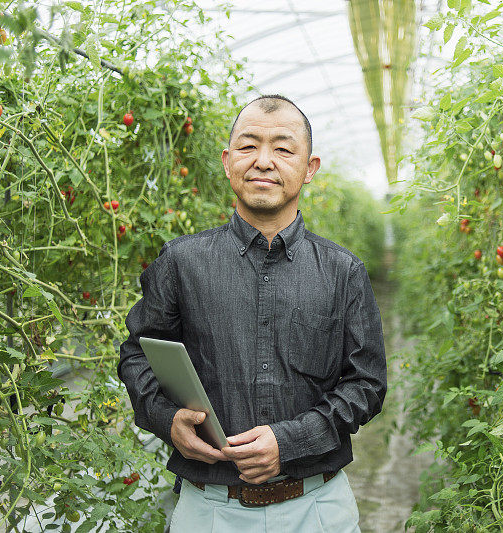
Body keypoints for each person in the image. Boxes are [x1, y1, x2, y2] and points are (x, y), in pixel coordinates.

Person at [117, 94, 387, 532]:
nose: (263, 161)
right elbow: (138, 354)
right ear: (227, 162)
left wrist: (289, 441)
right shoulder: (181, 263)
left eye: (283, 149)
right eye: (248, 146)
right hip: (209, 510)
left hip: (316, 508)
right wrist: (167, 420)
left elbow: (367, 384)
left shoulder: (342, 272)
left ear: (310, 168)